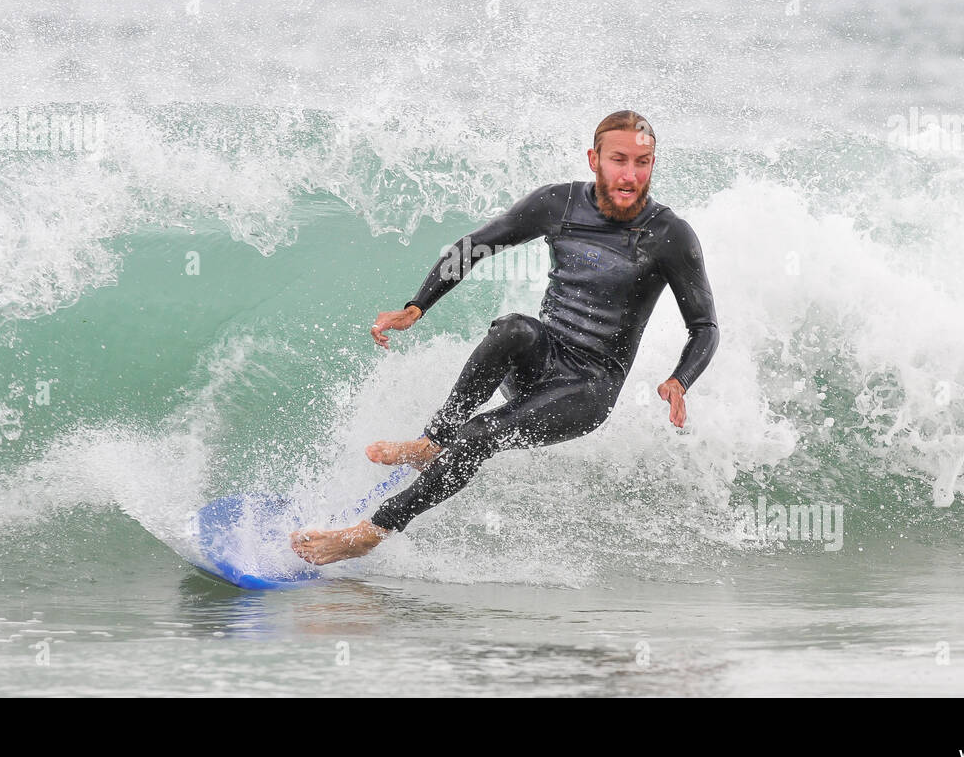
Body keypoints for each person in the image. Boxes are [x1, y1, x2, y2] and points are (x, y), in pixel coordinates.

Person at [290, 111, 719, 564]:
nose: (631, 176)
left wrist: (680, 380)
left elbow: (704, 326)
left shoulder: (670, 235)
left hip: (589, 389)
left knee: (477, 434)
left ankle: (370, 532)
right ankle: (432, 441)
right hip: (544, 358)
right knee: (514, 328)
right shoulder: (560, 204)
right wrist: (417, 305)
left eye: (644, 162)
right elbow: (475, 245)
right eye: (619, 160)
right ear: (594, 159)